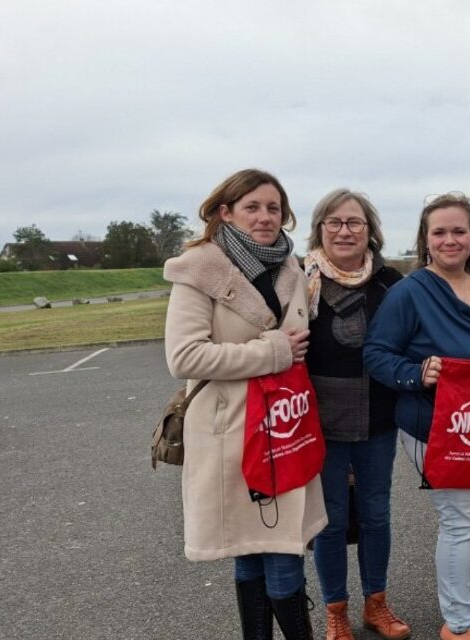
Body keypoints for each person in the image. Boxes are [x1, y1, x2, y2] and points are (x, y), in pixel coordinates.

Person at [163, 168, 323, 640]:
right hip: (230, 430)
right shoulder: (199, 271)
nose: (265, 217)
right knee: (259, 548)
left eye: (273, 208)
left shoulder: (292, 268)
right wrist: (272, 352)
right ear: (225, 213)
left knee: (275, 544)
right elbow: (184, 356)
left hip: (284, 427)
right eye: (252, 207)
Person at [364, 193, 470, 640]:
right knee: (461, 520)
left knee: (466, 519)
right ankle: (458, 623)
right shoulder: (410, 292)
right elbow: (376, 355)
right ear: (425, 239)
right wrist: (417, 373)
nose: (450, 239)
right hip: (433, 426)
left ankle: (462, 614)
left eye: (459, 231)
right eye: (440, 232)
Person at [303, 189, 410, 640]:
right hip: (318, 422)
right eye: (334, 222)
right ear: (320, 229)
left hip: (377, 419)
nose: (344, 231)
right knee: (327, 521)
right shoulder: (298, 280)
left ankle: (376, 604)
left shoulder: (391, 282)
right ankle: (335, 611)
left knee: (375, 515)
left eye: (355, 222)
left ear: (371, 230)